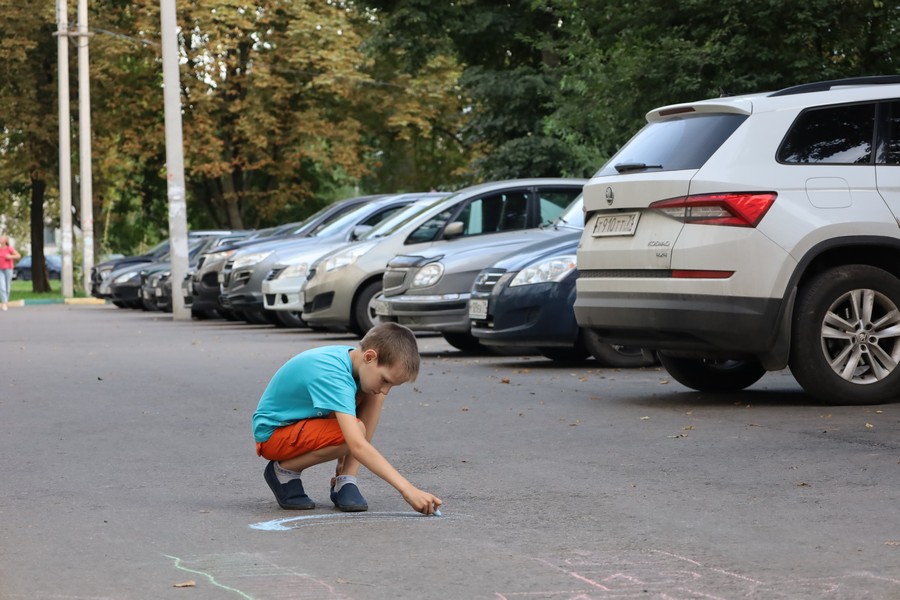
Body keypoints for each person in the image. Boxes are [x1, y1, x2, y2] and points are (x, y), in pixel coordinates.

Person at [252, 322, 442, 515]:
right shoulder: (333, 374)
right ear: (369, 356)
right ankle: (283, 472)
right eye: (385, 380)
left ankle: (346, 480)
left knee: (374, 394)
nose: (386, 389)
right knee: (355, 433)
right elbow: (357, 445)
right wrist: (408, 490)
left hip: (305, 423)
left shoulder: (358, 362)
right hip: (274, 435)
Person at [0, 235, 22, 311]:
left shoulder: (9, 249)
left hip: (8, 269)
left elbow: (18, 255)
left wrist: (10, 256)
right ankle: (4, 303)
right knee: (2, 287)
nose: (0, 239)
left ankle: (5, 302)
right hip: (0, 270)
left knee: (7, 287)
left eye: (2, 238)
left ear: (6, 240)